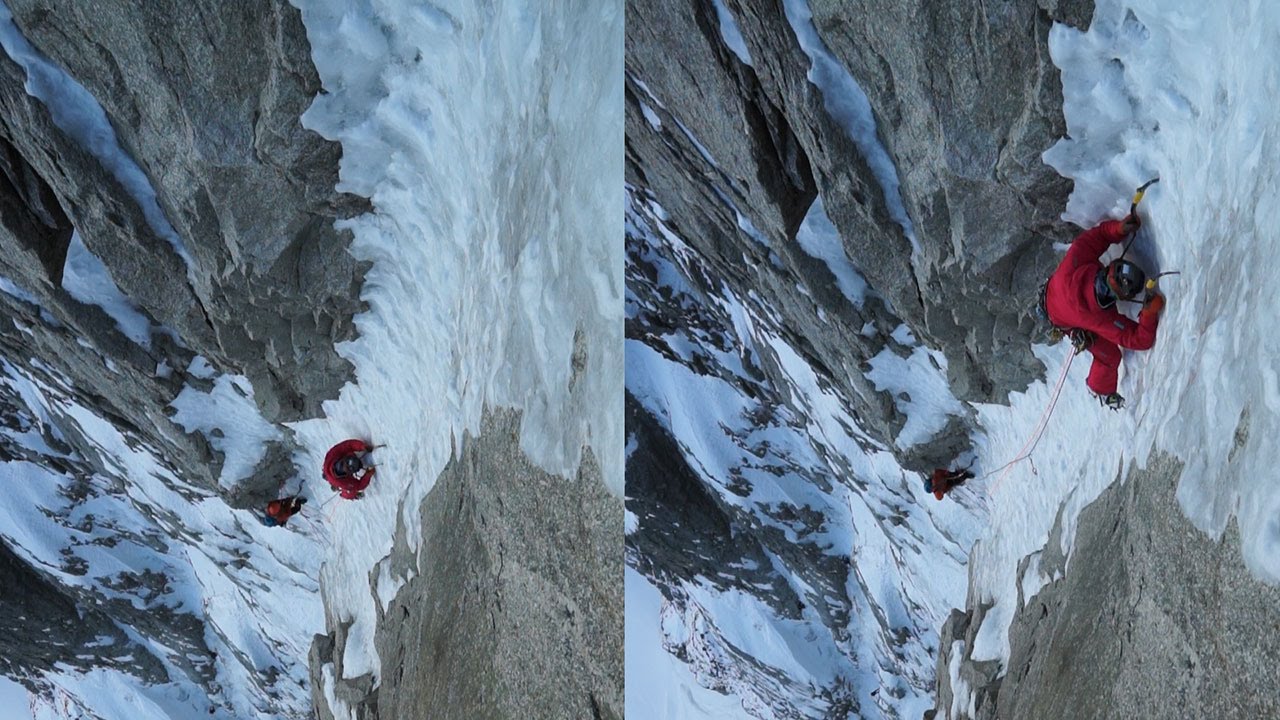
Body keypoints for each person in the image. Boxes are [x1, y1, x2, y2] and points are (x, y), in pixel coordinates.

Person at [1043, 214, 1166, 410]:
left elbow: (1096, 237)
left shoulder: (1075, 264)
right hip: (1062, 318)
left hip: (1055, 295)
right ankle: (1099, 389)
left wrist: (1117, 229)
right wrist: (1149, 314)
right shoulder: (1098, 318)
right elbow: (1138, 340)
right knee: (1110, 356)